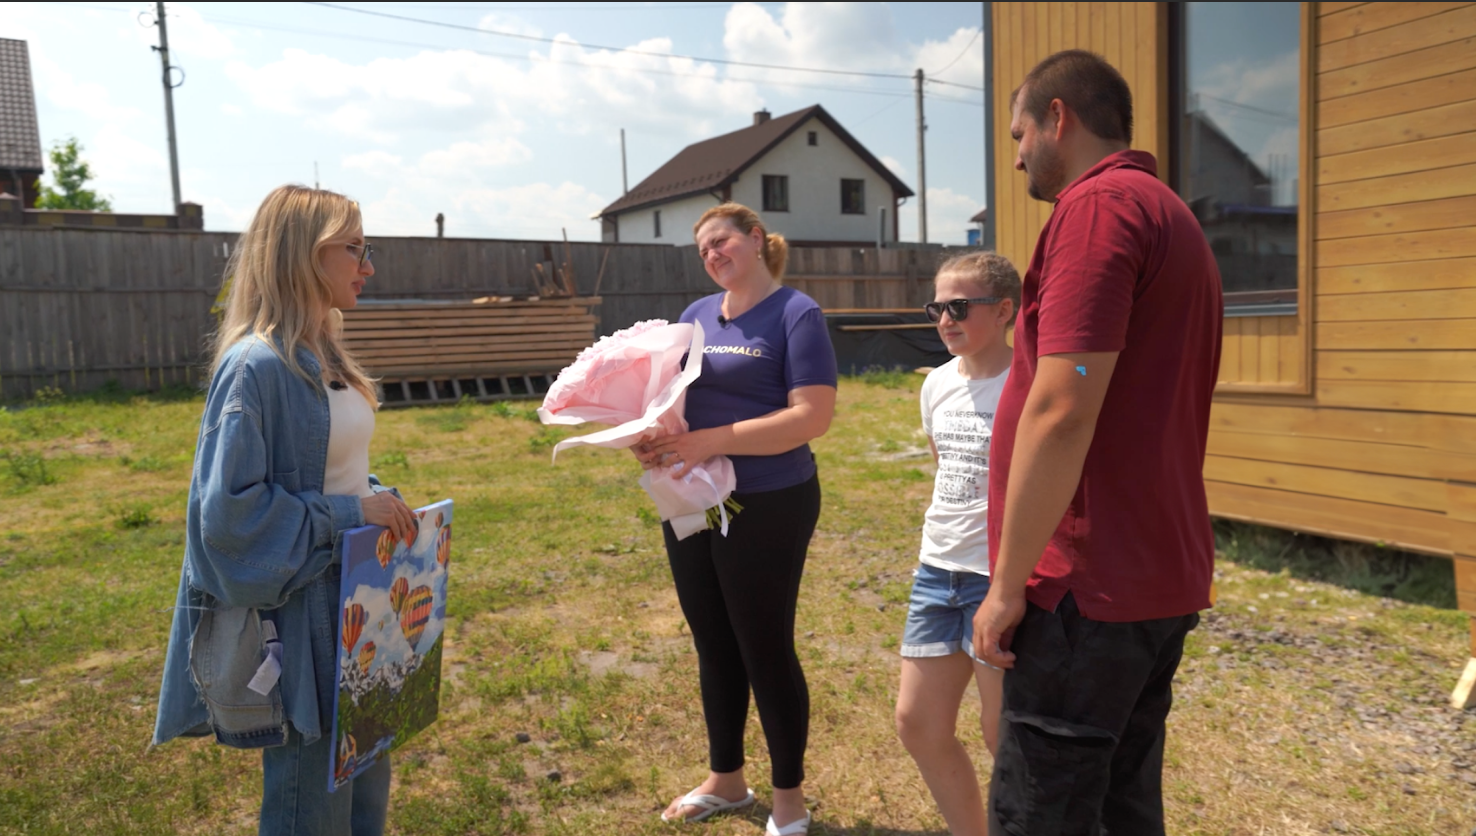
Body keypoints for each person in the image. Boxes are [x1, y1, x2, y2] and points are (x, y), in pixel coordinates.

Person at [970, 50, 1223, 834]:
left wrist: (1007, 585)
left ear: (1059, 118)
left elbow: (1063, 407)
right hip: (1151, 573)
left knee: (1041, 813)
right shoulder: (1168, 213)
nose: (1017, 157)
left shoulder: (1099, 208)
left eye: (1019, 134)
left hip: (1085, 585)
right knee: (1120, 809)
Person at [153, 185, 420, 836]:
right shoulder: (256, 367)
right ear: (303, 252)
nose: (368, 265)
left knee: (363, 787)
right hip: (306, 620)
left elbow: (329, 468)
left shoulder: (322, 353)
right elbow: (230, 521)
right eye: (353, 248)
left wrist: (377, 498)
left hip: (360, 606)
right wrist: (350, 514)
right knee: (312, 807)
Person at [634, 202, 837, 836]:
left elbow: (811, 417)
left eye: (721, 242)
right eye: (703, 250)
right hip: (693, 498)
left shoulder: (796, 313)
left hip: (771, 500)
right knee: (713, 641)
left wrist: (711, 441)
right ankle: (726, 780)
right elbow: (671, 401)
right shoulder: (696, 316)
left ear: (755, 239)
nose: (713, 255)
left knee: (764, 645)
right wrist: (654, 438)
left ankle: (788, 801)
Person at [894, 252, 1020, 836]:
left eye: (960, 307)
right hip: (936, 572)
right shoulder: (937, 384)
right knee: (917, 723)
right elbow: (942, 466)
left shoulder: (1027, 384)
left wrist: (1011, 580)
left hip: (997, 577)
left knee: (1003, 735)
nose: (945, 320)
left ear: (1004, 311)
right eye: (937, 308)